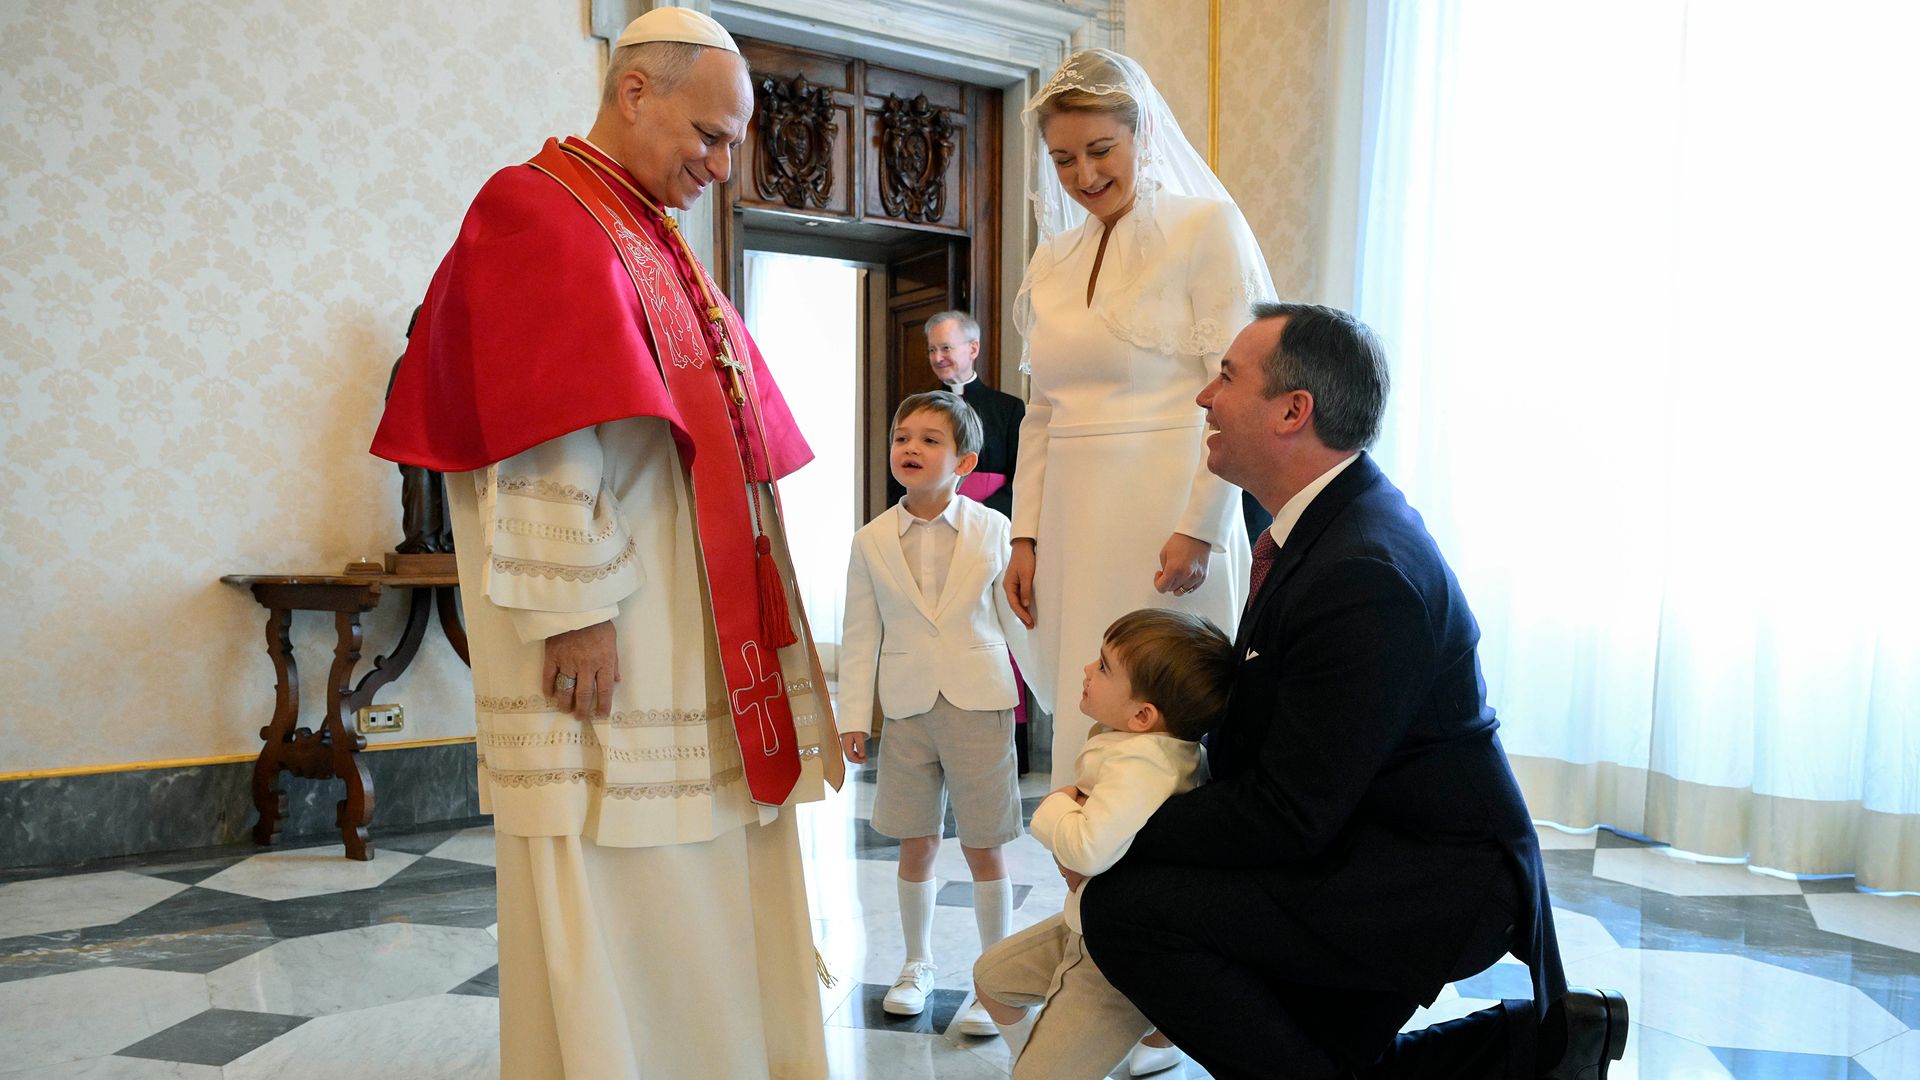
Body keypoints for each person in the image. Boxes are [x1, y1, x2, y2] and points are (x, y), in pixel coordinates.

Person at [369, 10, 843, 1078]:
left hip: (686, 622)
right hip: (615, 630)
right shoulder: (539, 208)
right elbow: (543, 431)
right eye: (710, 135)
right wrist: (571, 612)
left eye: (732, 144)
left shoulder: (643, 223)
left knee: (696, 864)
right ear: (636, 92)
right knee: (616, 865)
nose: (722, 166)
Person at [1079, 303, 1629, 1080]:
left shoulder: (1364, 570)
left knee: (1126, 908)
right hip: (1366, 835)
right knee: (1321, 1053)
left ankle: (1537, 1045)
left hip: (1426, 877)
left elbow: (1289, 814)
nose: (1206, 397)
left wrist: (1115, 826)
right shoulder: (1325, 522)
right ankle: (1532, 1048)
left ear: (1292, 412)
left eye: (1228, 378)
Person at [1002, 48, 1267, 791]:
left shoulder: (1204, 228)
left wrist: (1203, 524)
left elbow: (1235, 386)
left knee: (1168, 710)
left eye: (1099, 150)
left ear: (1140, 134)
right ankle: (1087, 883)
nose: (1083, 176)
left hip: (1167, 513)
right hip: (1072, 523)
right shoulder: (1051, 259)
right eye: (1062, 160)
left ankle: (1181, 890)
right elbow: (1042, 411)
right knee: (1092, 701)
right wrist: (1025, 534)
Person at [973, 608, 1234, 1080]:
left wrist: (1054, 805)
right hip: (1084, 925)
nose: (1087, 670)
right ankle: (1044, 1057)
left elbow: (1088, 850)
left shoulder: (1143, 766)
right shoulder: (1138, 745)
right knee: (991, 978)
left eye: (1104, 666)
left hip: (1112, 957)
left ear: (1142, 715)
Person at [839, 390, 1027, 1038]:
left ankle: (991, 978)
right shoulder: (871, 540)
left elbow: (1017, 621)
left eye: (929, 439)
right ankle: (915, 964)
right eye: (902, 437)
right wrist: (853, 716)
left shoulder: (995, 530)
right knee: (915, 841)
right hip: (910, 706)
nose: (910, 448)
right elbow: (860, 632)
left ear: (965, 459)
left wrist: (1056, 696)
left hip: (979, 700)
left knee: (984, 845)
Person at [883, 311, 1024, 519]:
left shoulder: (1008, 408)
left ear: (973, 349)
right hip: (928, 518)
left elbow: (1021, 478)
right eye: (932, 349)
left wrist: (977, 515)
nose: (937, 358)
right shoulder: (916, 410)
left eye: (946, 348)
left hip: (991, 519)